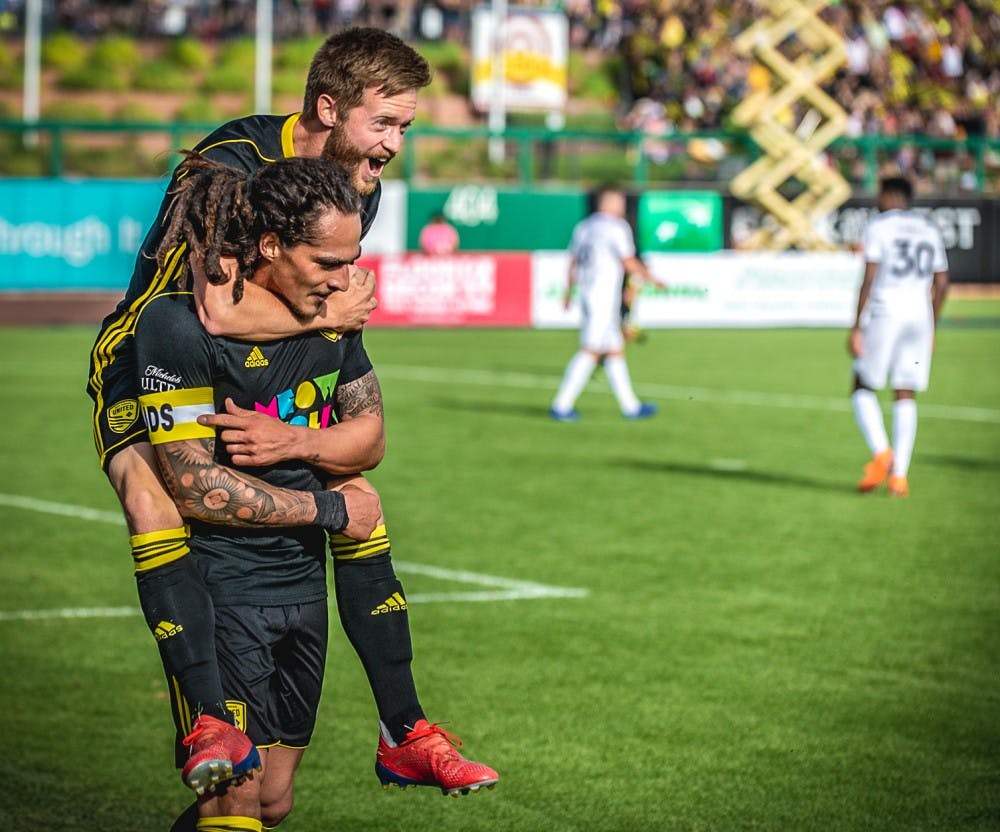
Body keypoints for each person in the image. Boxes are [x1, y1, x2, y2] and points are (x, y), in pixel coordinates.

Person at [86, 26, 495, 797]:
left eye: (405, 127)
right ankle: (210, 718)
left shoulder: (351, 190)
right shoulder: (235, 161)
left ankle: (403, 727)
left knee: (268, 802)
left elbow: (305, 309)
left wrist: (323, 342)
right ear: (328, 106)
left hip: (249, 370)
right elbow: (217, 311)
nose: (394, 144)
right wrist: (329, 318)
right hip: (145, 361)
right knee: (154, 502)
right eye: (383, 124)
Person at [849, 175, 949, 497]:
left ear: (891, 195)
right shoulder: (928, 228)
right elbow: (943, 283)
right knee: (905, 391)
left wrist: (855, 325)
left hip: (886, 310)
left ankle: (882, 453)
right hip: (920, 314)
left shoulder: (880, 226)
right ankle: (900, 477)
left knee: (862, 385)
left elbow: (869, 278)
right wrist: (933, 324)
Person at [550, 186, 664, 422]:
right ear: (609, 203)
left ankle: (631, 407)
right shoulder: (617, 227)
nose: (622, 206)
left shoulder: (585, 226)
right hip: (603, 297)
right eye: (619, 201)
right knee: (590, 350)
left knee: (614, 350)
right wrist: (651, 277)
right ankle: (561, 405)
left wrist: (568, 290)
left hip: (589, 293)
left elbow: (573, 261)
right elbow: (628, 261)